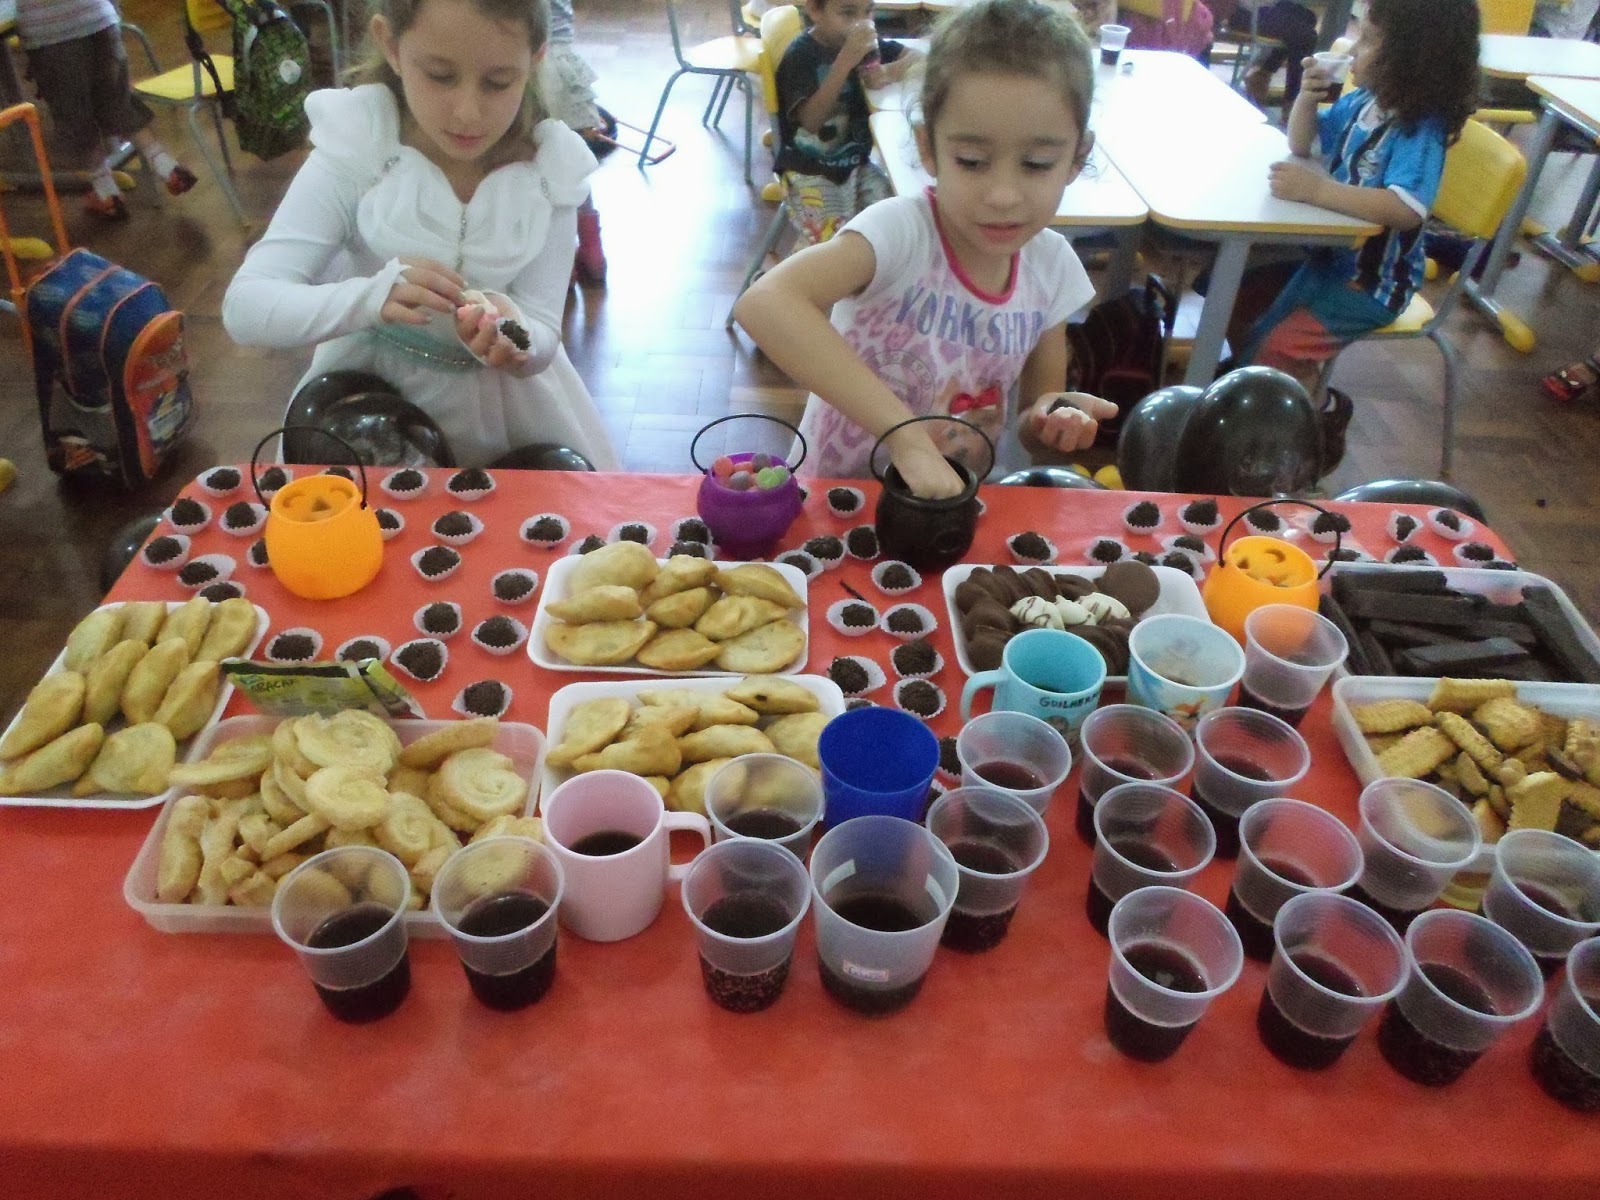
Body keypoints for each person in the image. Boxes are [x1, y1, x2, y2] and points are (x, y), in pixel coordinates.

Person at [736, 0, 1115, 497]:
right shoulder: (902, 233)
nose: (1002, 195)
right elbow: (765, 302)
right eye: (972, 161)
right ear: (927, 148)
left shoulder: (1054, 268)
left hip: (951, 510)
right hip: (836, 501)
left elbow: (1030, 423)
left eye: (1037, 164)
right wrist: (906, 437)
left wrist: (1051, 419)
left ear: (1077, 158)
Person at [222, 0, 619, 470]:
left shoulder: (551, 171)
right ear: (391, 45)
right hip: (365, 411)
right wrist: (370, 298)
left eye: (498, 82)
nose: (468, 113)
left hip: (512, 419)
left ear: (535, 60)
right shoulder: (359, 147)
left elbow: (544, 330)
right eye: (440, 76)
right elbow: (246, 306)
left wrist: (518, 337)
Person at [1224, 0, 1479, 397]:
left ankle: (1305, 417)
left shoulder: (1419, 128)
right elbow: (1301, 143)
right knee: (1259, 324)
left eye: (1369, 39)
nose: (1353, 48)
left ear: (1413, 58)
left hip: (1374, 284)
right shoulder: (1364, 102)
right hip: (1329, 260)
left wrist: (1317, 190)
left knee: (1278, 346)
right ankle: (1254, 395)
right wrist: (1307, 98)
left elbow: (1405, 209)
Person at [15, 0, 198, 220]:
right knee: (118, 101)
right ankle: (166, 165)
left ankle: (105, 191)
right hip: (100, 19)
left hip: (51, 34)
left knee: (75, 115)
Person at [774, 0, 918, 246]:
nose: (861, 22)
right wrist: (844, 62)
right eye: (848, 12)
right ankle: (804, 267)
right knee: (834, 245)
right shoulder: (800, 56)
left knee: (894, 226)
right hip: (808, 169)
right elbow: (811, 122)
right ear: (815, 10)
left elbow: (918, 57)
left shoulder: (867, 45)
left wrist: (888, 71)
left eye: (868, 11)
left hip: (857, 165)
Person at [546, 0, 607, 283]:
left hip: (530, 65)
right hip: (566, 65)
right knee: (573, 165)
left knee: (539, 167)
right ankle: (593, 252)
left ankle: (563, 261)